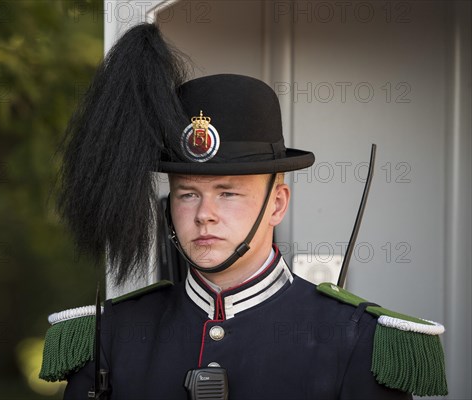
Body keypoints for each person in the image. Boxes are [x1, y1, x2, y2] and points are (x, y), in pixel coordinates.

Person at [39, 24, 447, 399]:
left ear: (277, 204)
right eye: (187, 194)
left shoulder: (357, 339)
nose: (204, 214)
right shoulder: (109, 334)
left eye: (228, 193)